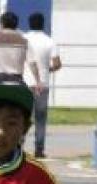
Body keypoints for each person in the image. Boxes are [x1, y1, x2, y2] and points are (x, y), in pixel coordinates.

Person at [0, 11, 42, 94]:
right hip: (17, 80)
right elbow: (32, 63)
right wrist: (38, 81)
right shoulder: (24, 41)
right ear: (16, 25)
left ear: (2, 24)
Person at [24, 12, 62, 158]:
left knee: (23, 116)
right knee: (40, 118)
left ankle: (19, 144)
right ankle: (39, 149)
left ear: (29, 23)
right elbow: (57, 64)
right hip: (42, 84)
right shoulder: (49, 41)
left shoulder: (24, 39)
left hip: (25, 82)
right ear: (42, 23)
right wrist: (47, 69)